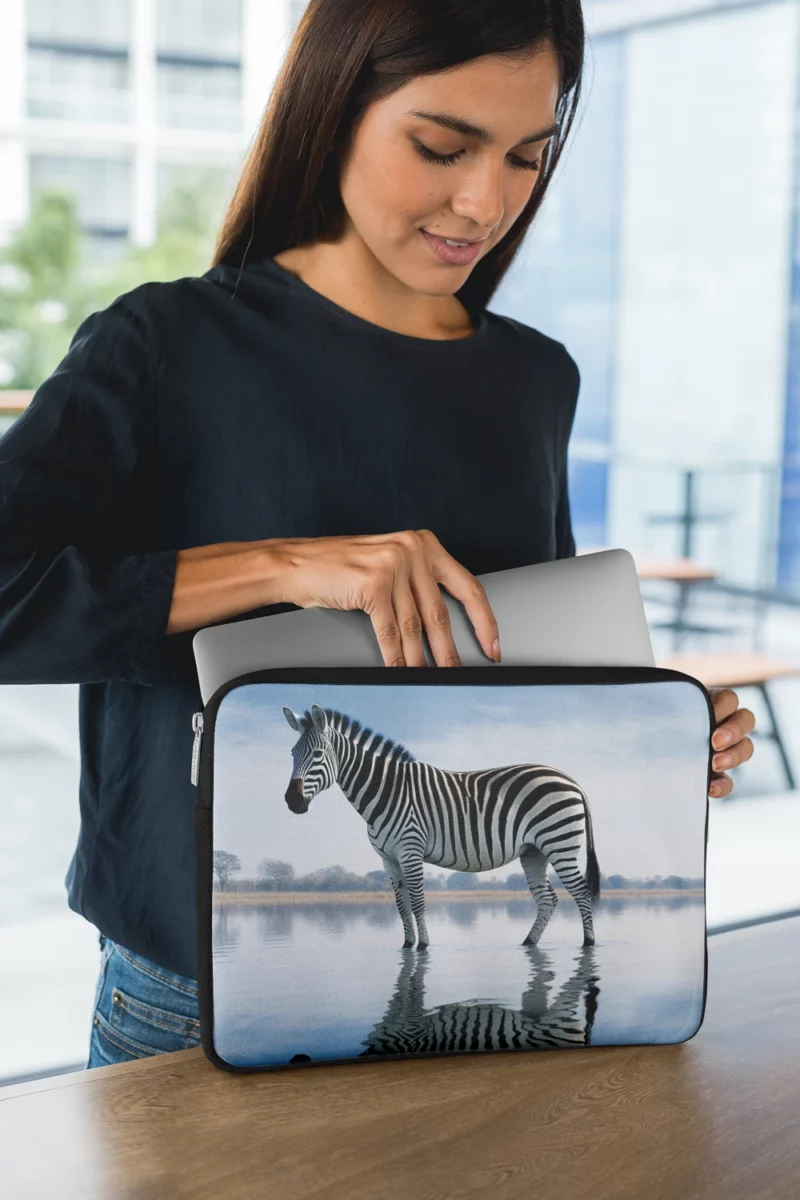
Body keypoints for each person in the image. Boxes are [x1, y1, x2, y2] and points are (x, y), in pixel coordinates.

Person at [0, 0, 755, 1069]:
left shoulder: (535, 378)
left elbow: (516, 664)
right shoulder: (163, 345)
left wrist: (660, 734)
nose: (482, 201)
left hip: (474, 990)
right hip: (191, 1002)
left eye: (525, 158)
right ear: (333, 106)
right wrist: (289, 567)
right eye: (440, 146)